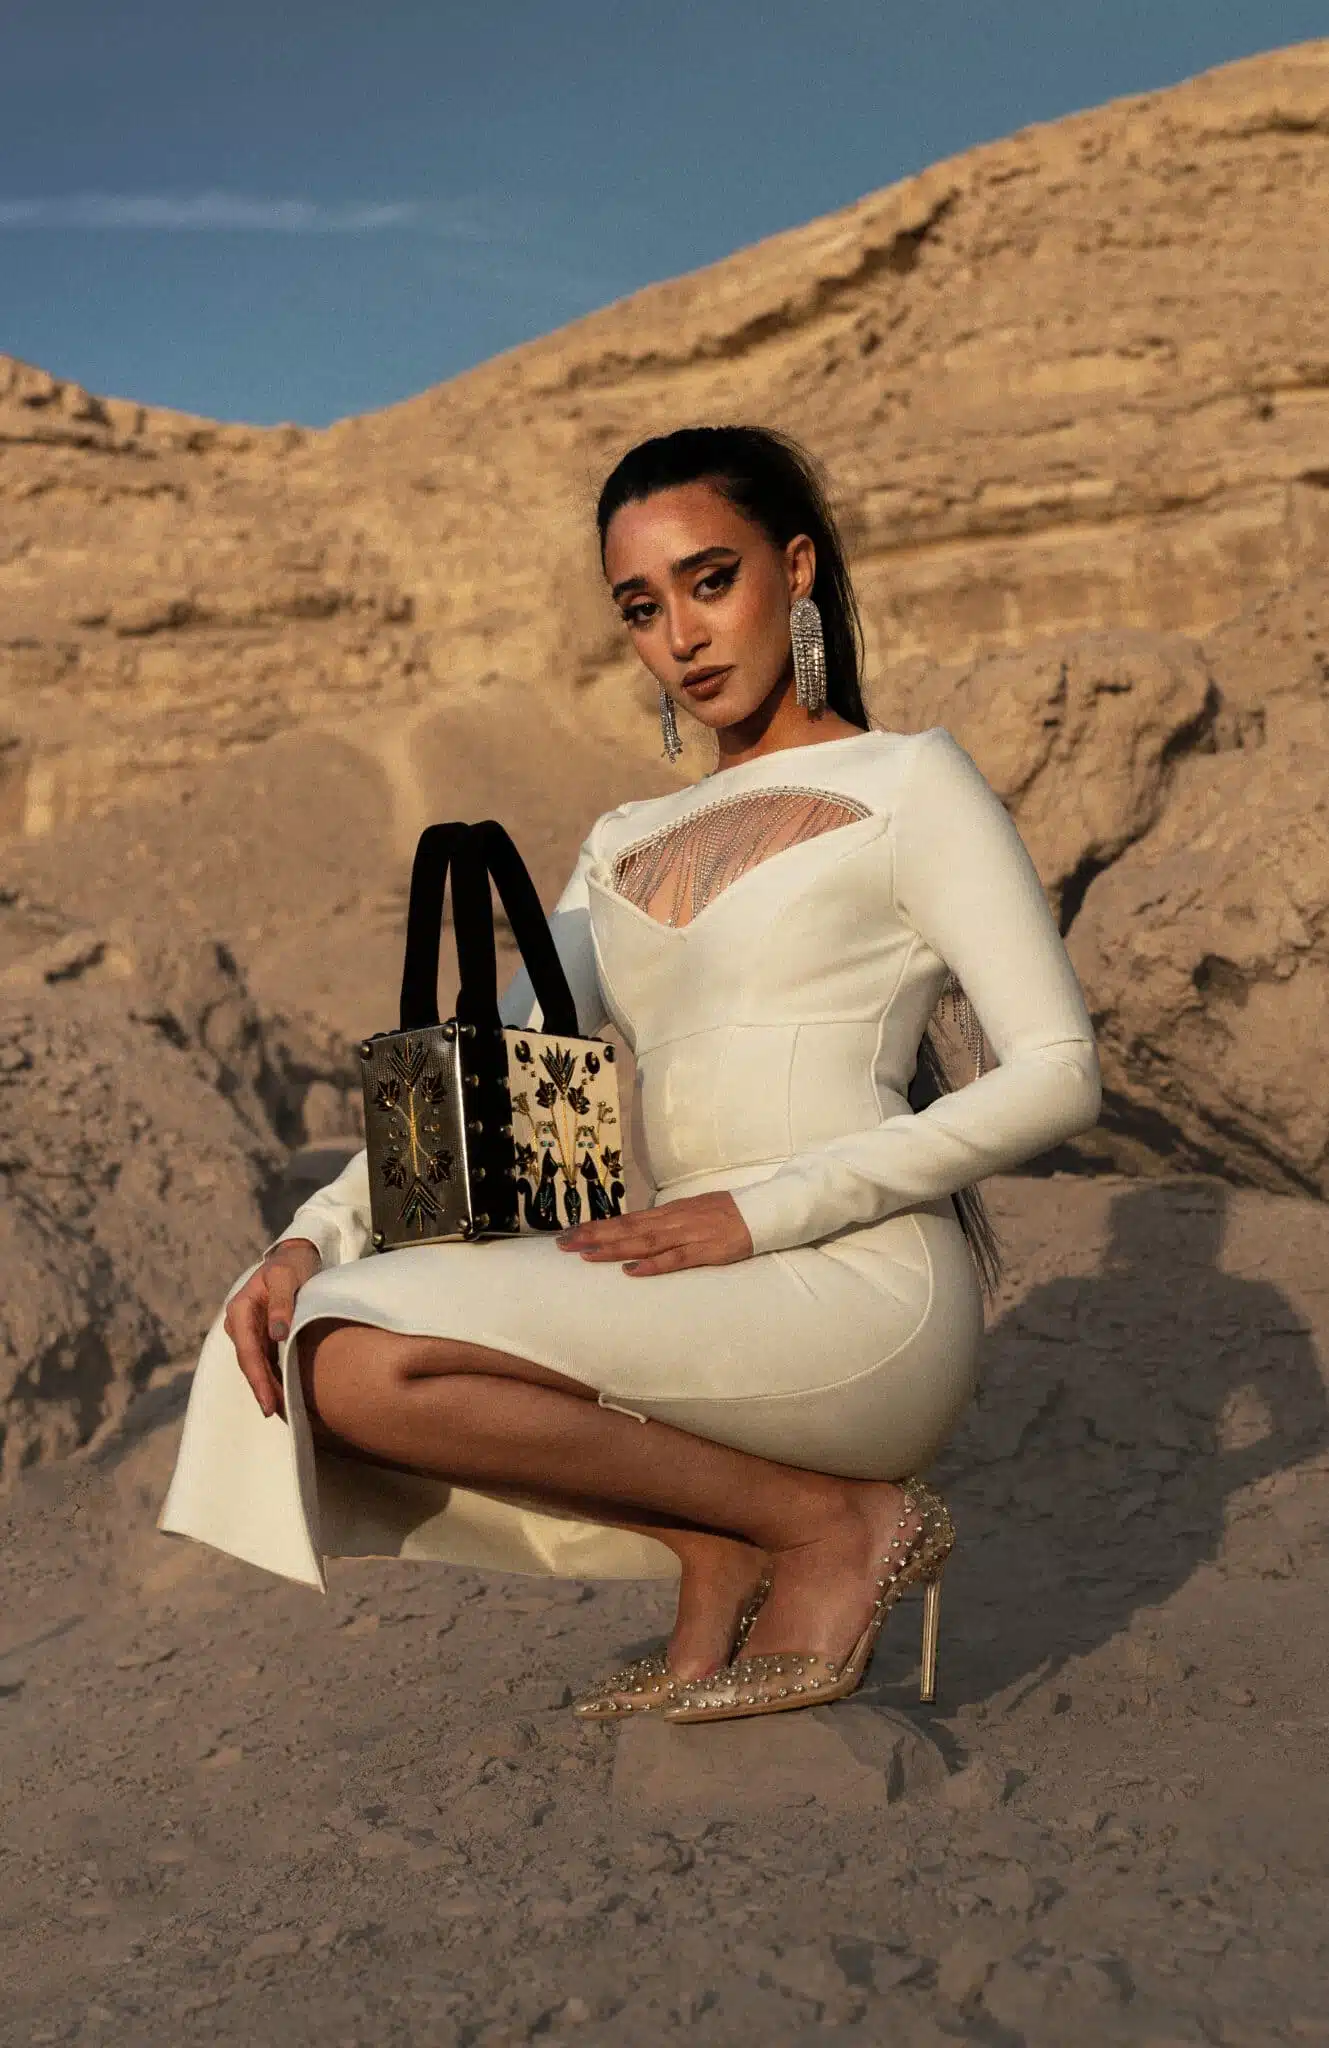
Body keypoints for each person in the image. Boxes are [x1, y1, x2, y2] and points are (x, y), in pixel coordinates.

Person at [160, 425, 1101, 1724]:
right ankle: (727, 1538)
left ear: (797, 569)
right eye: (642, 608)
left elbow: (1059, 1073)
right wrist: (307, 1239)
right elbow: (486, 1079)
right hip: (690, 1272)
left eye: (711, 582)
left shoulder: (909, 782)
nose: (683, 637)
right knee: (337, 1349)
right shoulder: (622, 842)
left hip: (859, 1284)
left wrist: (756, 1213)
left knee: (362, 1348)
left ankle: (835, 1529)